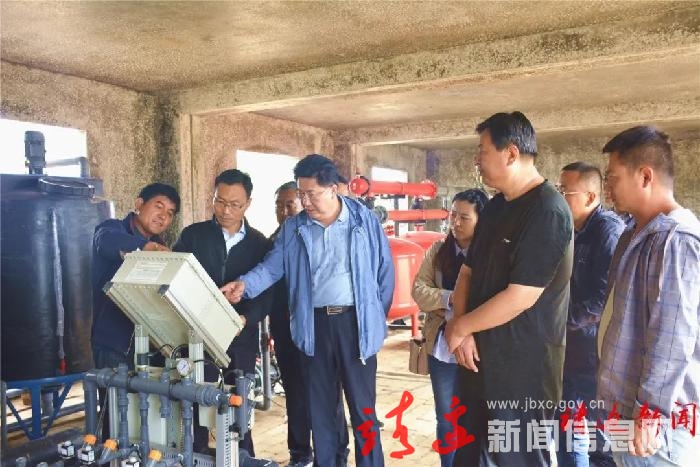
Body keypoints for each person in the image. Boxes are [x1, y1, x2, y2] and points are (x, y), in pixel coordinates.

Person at [220, 154, 395, 467]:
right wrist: (244, 285)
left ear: (333, 189)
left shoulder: (363, 221)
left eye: (311, 194)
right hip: (314, 327)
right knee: (321, 410)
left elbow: (385, 272)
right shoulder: (294, 229)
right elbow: (272, 267)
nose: (305, 202)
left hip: (356, 325)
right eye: (301, 194)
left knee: (363, 411)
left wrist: (375, 319)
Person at [445, 111, 573, 466]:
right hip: (478, 359)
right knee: (469, 454)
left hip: (523, 372)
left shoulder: (547, 211)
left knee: (518, 458)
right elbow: (467, 273)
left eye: (482, 151)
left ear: (511, 153)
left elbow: (521, 296)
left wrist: (461, 326)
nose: (476, 160)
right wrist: (463, 331)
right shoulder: (496, 207)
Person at [597, 126, 700, 466]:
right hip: (626, 409)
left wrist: (651, 412)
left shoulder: (676, 241)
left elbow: (672, 336)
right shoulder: (635, 233)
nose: (607, 189)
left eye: (612, 178)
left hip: (655, 428)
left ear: (644, 176)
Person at [172, 169, 274, 457]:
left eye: (234, 204)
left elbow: (266, 294)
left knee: (238, 401)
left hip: (239, 337)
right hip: (196, 335)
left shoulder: (259, 243)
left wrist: (245, 319)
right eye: (219, 201)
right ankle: (195, 455)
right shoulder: (193, 236)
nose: (226, 211)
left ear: (248, 204)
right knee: (195, 400)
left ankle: (243, 457)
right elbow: (177, 276)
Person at [269, 181, 349, 467]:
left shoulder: (317, 236)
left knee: (328, 393)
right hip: (286, 332)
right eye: (279, 206)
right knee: (295, 393)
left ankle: (337, 453)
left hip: (319, 329)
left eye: (289, 204)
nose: (284, 211)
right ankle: (300, 452)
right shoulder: (273, 242)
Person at [91, 182, 180, 439]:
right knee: (114, 416)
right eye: (158, 206)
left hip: (148, 346)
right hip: (113, 343)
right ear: (139, 204)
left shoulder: (161, 246)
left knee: (143, 416)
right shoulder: (112, 229)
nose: (163, 216)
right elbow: (106, 242)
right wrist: (145, 248)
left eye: (170, 213)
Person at [411, 188, 488, 467]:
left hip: (478, 351)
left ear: (481, 220)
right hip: (442, 352)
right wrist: (451, 299)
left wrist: (448, 308)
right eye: (452, 215)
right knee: (446, 418)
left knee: (476, 417)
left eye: (464, 217)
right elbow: (419, 291)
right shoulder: (438, 251)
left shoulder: (489, 256)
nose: (455, 222)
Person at [556, 162, 624, 467]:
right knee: (566, 429)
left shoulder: (608, 231)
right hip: (570, 349)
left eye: (565, 192)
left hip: (593, 353)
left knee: (596, 439)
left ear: (590, 196)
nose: (559, 198)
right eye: (558, 190)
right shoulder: (571, 230)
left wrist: (559, 322)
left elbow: (602, 299)